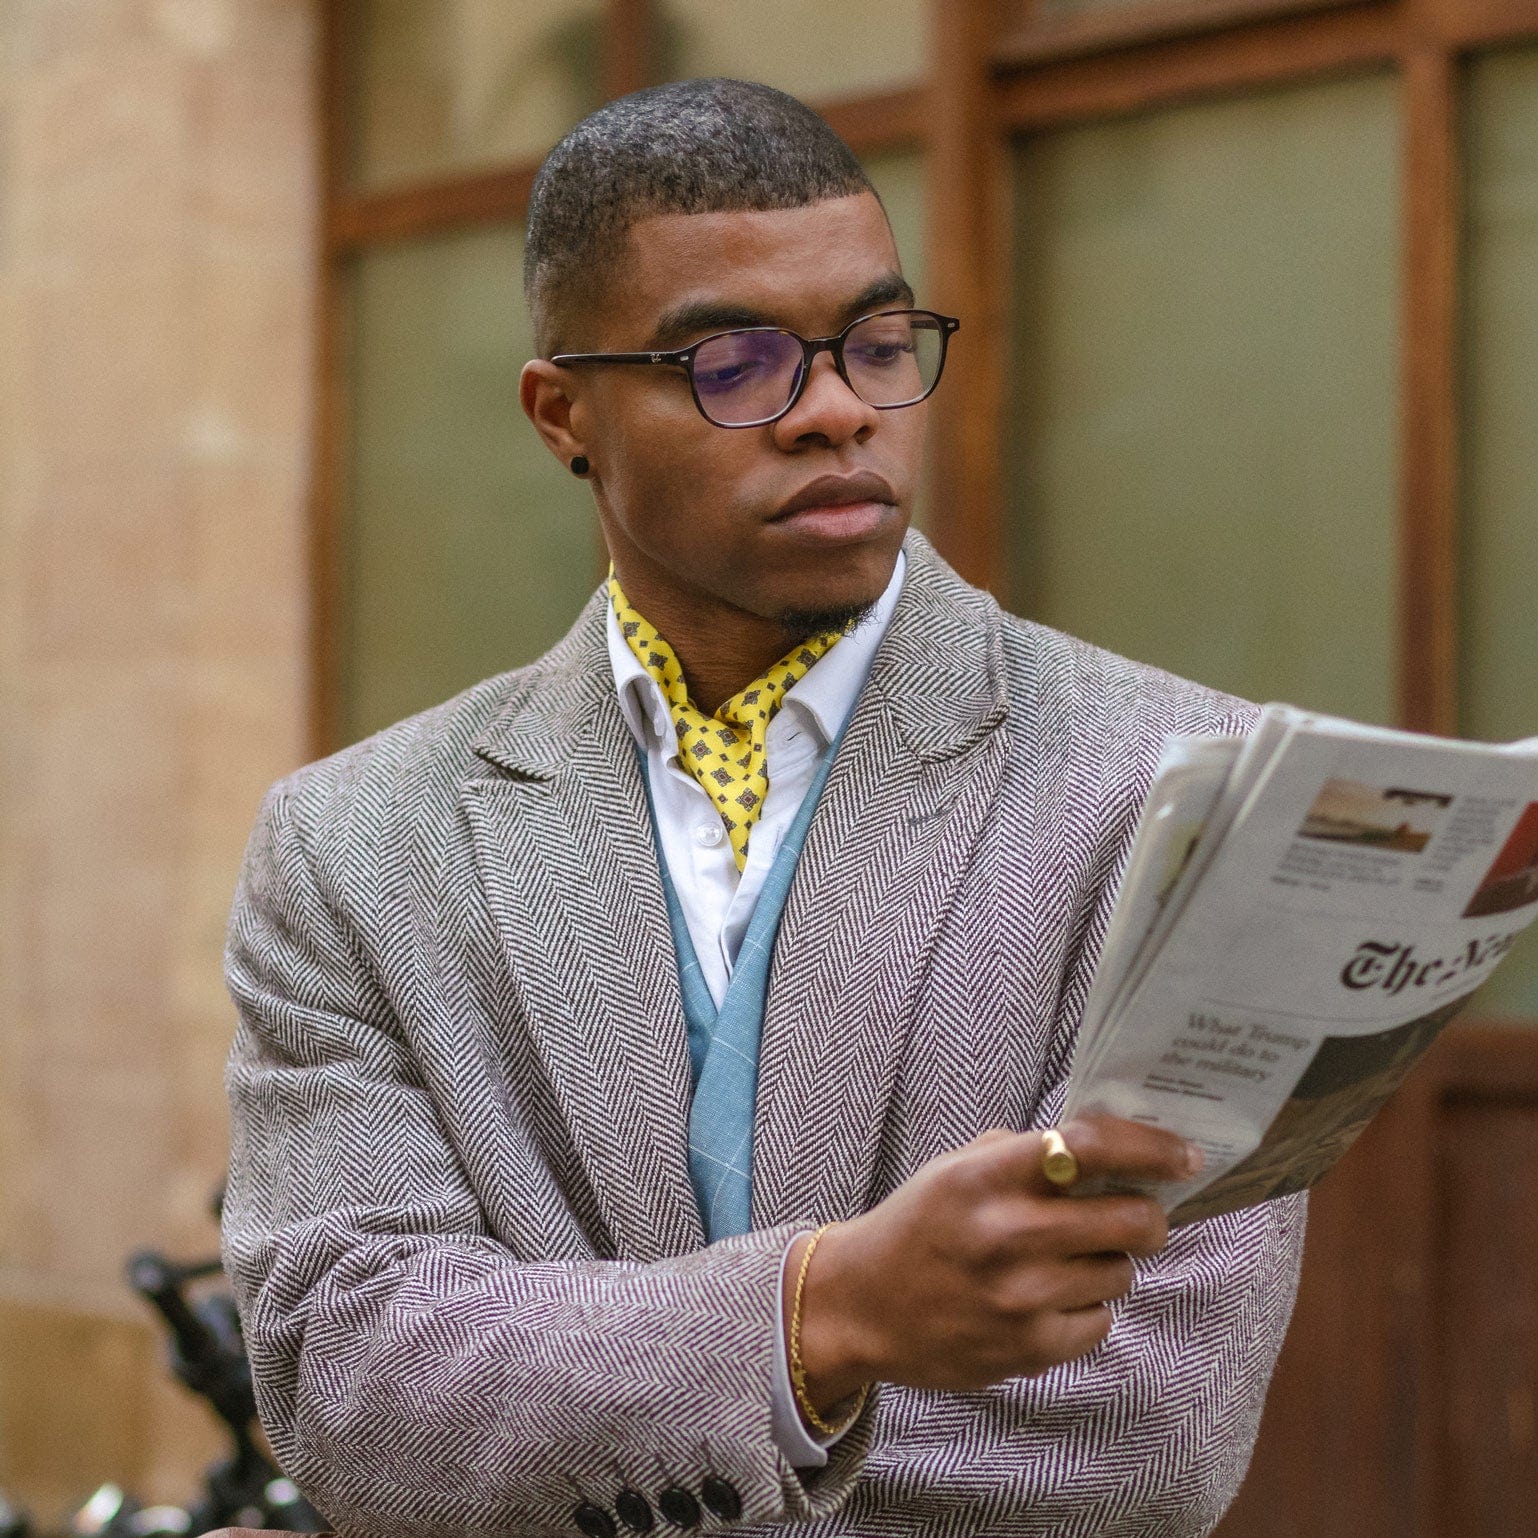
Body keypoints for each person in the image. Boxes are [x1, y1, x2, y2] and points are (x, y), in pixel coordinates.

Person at [222, 77, 1303, 1538]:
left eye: (872, 341)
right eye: (735, 363)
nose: (841, 411)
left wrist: (564, 1439)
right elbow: (348, 1384)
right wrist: (821, 1313)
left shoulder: (1183, 788)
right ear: (563, 415)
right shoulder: (353, 848)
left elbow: (1133, 1436)